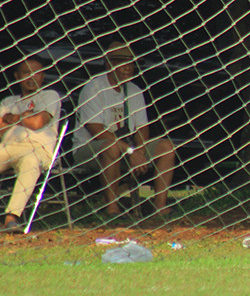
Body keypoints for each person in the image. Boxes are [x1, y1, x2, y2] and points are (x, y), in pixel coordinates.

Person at [73, 42, 176, 218]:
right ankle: (112, 208)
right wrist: (131, 152)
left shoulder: (135, 90)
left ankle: (160, 207)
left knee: (166, 147)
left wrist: (140, 152)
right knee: (110, 146)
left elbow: (142, 128)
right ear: (109, 64)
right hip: (90, 148)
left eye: (131, 64)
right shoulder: (93, 88)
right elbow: (96, 130)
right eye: (122, 63)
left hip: (126, 148)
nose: (128, 68)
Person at [1, 58, 62, 232]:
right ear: (17, 76)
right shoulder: (8, 101)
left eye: (36, 73)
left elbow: (37, 123)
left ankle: (11, 218)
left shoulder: (50, 96)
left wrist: (12, 118)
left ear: (43, 76)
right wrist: (25, 116)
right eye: (26, 72)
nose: (31, 77)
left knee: (31, 162)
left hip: (37, 148)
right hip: (8, 146)